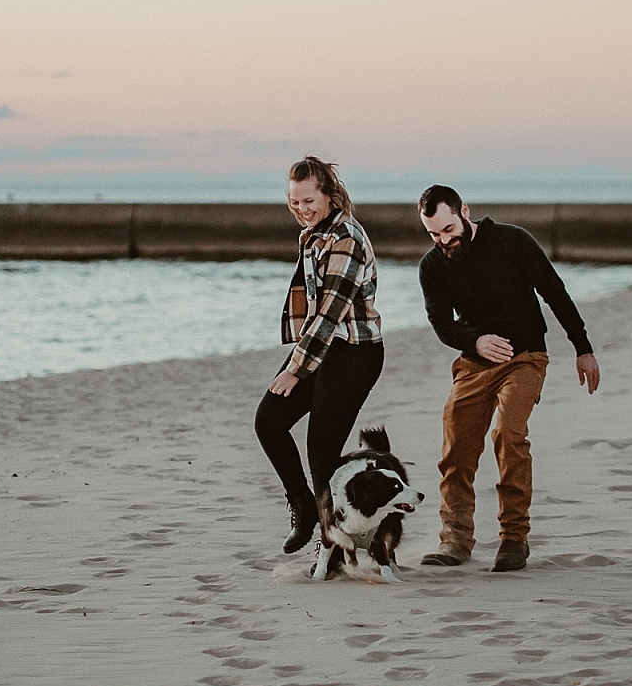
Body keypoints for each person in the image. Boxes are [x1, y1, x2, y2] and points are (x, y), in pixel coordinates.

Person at [416, 184, 600, 572]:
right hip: (473, 364)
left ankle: (514, 539)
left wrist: (582, 349)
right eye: (434, 234)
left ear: (464, 210)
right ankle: (455, 541)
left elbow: (555, 292)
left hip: (526, 357)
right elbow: (440, 324)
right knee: (457, 446)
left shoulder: (513, 241)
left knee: (508, 433)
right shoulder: (433, 266)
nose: (444, 240)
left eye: (449, 229)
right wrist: (476, 341)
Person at [255, 156, 385, 554]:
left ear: (329, 194)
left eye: (308, 201)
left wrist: (296, 369)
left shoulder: (345, 238)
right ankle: (305, 508)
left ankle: (333, 540)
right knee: (269, 422)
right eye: (294, 203)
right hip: (324, 347)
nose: (302, 209)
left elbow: (330, 314)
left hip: (355, 353)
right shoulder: (314, 234)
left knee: (321, 454)